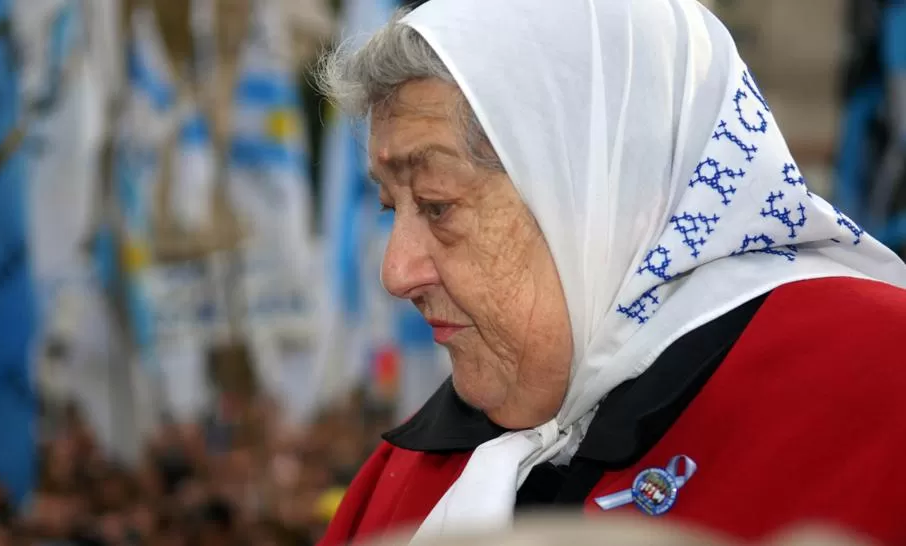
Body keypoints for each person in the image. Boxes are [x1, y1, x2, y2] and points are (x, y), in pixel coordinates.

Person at [313, 0, 906, 544]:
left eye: (438, 205)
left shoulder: (879, 385)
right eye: (392, 208)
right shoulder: (406, 477)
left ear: (603, 189)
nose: (396, 272)